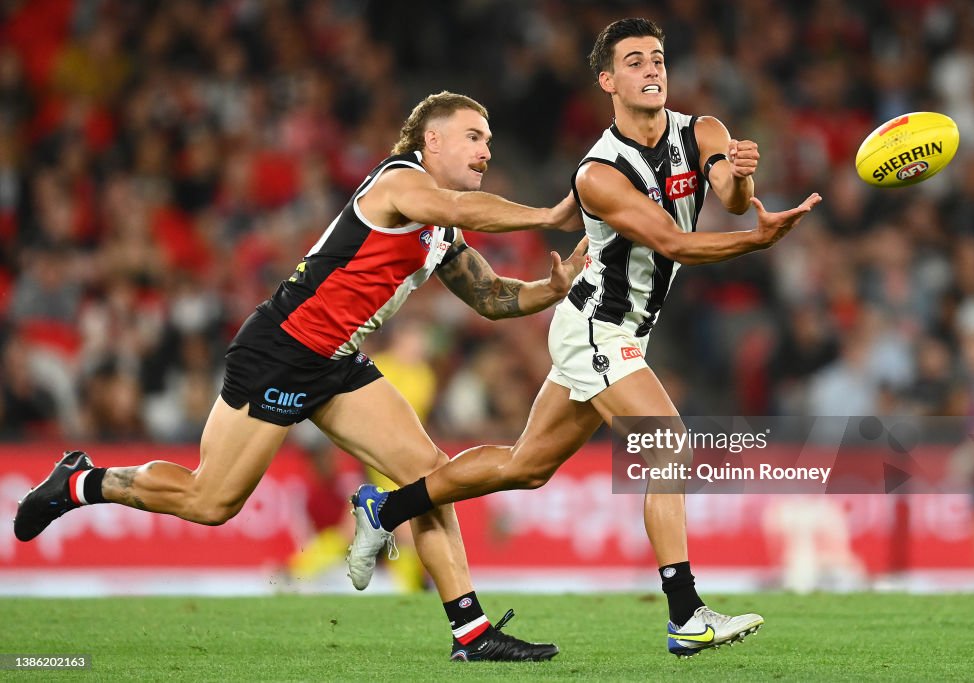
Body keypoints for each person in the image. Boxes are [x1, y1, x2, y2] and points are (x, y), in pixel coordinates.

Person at [14, 91, 587, 662]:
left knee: (432, 478)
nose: (486, 148)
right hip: (280, 350)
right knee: (209, 500)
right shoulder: (398, 181)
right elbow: (460, 210)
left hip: (337, 361)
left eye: (488, 139)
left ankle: (472, 633)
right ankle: (80, 482)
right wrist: (548, 214)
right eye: (474, 136)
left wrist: (549, 291)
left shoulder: (439, 231)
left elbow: (489, 297)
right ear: (431, 141)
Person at [347, 18, 822, 658]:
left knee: (527, 466)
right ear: (607, 80)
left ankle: (387, 509)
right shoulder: (598, 173)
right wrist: (757, 242)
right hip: (596, 324)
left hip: (628, 331)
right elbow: (675, 241)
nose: (652, 69)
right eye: (634, 62)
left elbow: (733, 201)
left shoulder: (702, 131)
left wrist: (740, 176)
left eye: (657, 58)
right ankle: (687, 615)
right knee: (670, 446)